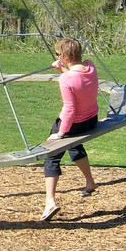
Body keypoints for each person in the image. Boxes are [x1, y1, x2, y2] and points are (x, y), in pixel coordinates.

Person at [41, 38, 98, 221]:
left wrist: (60, 133)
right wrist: (62, 70)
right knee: (74, 144)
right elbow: (78, 81)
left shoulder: (66, 79)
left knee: (51, 155)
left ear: (65, 56)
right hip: (91, 120)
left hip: (74, 123)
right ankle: (90, 182)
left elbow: (70, 109)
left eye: (58, 54)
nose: (57, 56)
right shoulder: (90, 66)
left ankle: (50, 202)